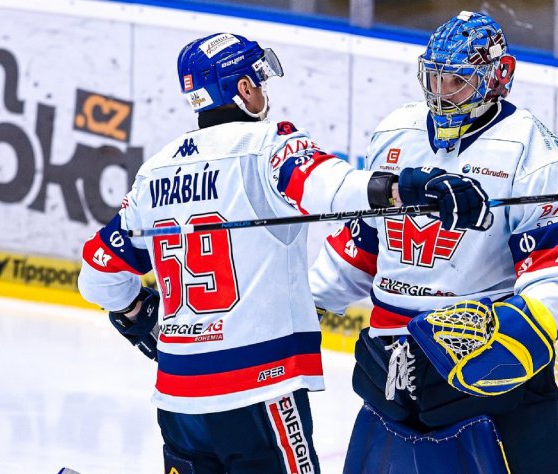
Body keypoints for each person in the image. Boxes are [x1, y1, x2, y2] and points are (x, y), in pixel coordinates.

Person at [77, 32, 491, 474]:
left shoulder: (155, 172)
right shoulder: (269, 146)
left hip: (178, 398)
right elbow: (333, 188)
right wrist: (409, 187)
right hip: (258, 388)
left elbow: (97, 277)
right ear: (243, 88)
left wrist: (136, 311)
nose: (262, 89)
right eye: (258, 79)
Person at [309, 11, 558, 474]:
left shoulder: (535, 154)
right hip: (392, 371)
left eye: (457, 82)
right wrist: (303, 306)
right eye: (434, 78)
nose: (441, 94)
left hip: (487, 372)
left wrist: (511, 341)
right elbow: (364, 242)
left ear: (498, 76)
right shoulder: (395, 132)